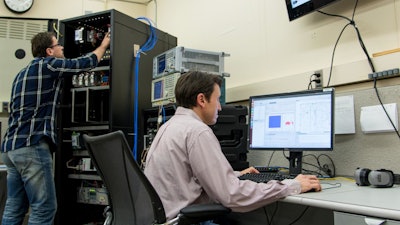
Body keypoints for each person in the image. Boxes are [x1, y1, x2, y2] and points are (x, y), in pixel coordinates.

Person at [144, 71, 321, 224]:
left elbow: (185, 178)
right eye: (217, 99)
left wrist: (235, 176)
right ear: (202, 100)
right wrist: (292, 186)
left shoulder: (169, 126)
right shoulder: (197, 131)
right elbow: (232, 196)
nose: (220, 107)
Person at [1, 31, 111, 225]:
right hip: (32, 146)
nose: (62, 48)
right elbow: (84, 63)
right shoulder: (49, 64)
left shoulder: (21, 74)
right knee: (44, 208)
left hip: (11, 148)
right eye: (58, 45)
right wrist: (104, 45)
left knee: (14, 207)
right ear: (49, 51)